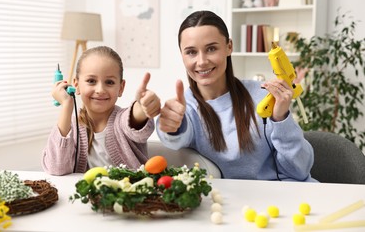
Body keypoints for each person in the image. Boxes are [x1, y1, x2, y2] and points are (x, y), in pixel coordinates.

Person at [156, 10, 316, 182]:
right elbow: (174, 136)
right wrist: (169, 125)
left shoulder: (263, 94)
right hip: (240, 203)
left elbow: (300, 170)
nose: (201, 61)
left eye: (211, 49)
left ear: (229, 47)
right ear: (182, 55)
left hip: (293, 194)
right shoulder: (185, 110)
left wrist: (281, 120)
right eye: (191, 52)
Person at [42, 46, 161, 175]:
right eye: (91, 81)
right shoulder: (70, 127)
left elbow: (134, 117)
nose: (100, 90)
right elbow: (57, 169)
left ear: (121, 88)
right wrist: (66, 105)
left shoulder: (121, 120)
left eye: (109, 82)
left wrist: (143, 106)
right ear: (76, 85)